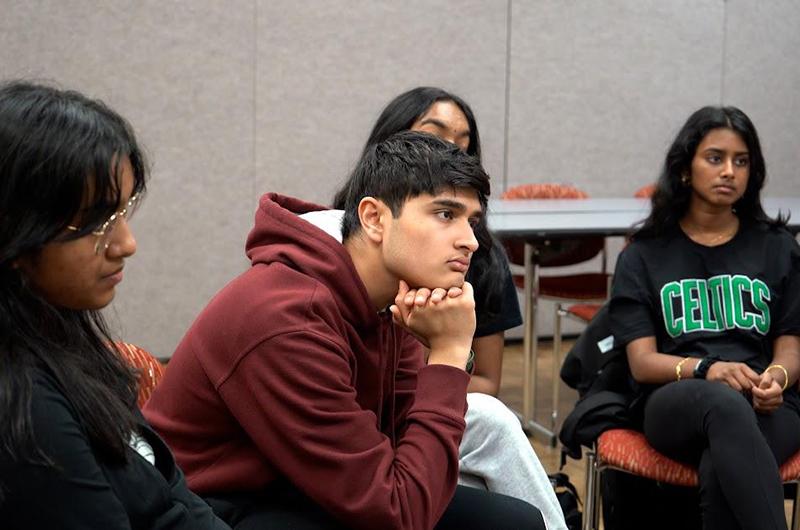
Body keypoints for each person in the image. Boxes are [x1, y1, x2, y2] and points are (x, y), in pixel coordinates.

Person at [144, 132, 546, 529]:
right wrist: (448, 355)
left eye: (471, 220)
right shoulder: (288, 319)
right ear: (374, 218)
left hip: (305, 485)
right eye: (445, 215)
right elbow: (398, 513)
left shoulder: (390, 296)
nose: (470, 241)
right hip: (212, 508)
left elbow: (403, 444)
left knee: (518, 521)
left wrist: (446, 355)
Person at [331, 87, 566, 530]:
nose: (449, 151)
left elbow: (482, 383)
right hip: (331, 464)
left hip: (408, 417)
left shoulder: (476, 257)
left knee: (492, 435)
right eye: (433, 136)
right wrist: (444, 351)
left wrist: (445, 349)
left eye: (463, 143)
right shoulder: (334, 268)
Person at [0, 81, 230, 529]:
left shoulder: (65, 340)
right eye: (97, 222)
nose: (126, 244)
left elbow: (174, 491)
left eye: (123, 213)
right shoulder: (25, 407)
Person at [609, 105, 800, 530]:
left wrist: (777, 378)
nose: (729, 171)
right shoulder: (645, 253)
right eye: (715, 158)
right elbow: (642, 362)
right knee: (722, 404)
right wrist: (708, 369)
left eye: (741, 161)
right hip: (677, 395)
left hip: (766, 402)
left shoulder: (778, 247)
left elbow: (790, 343)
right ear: (684, 169)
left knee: (723, 466)